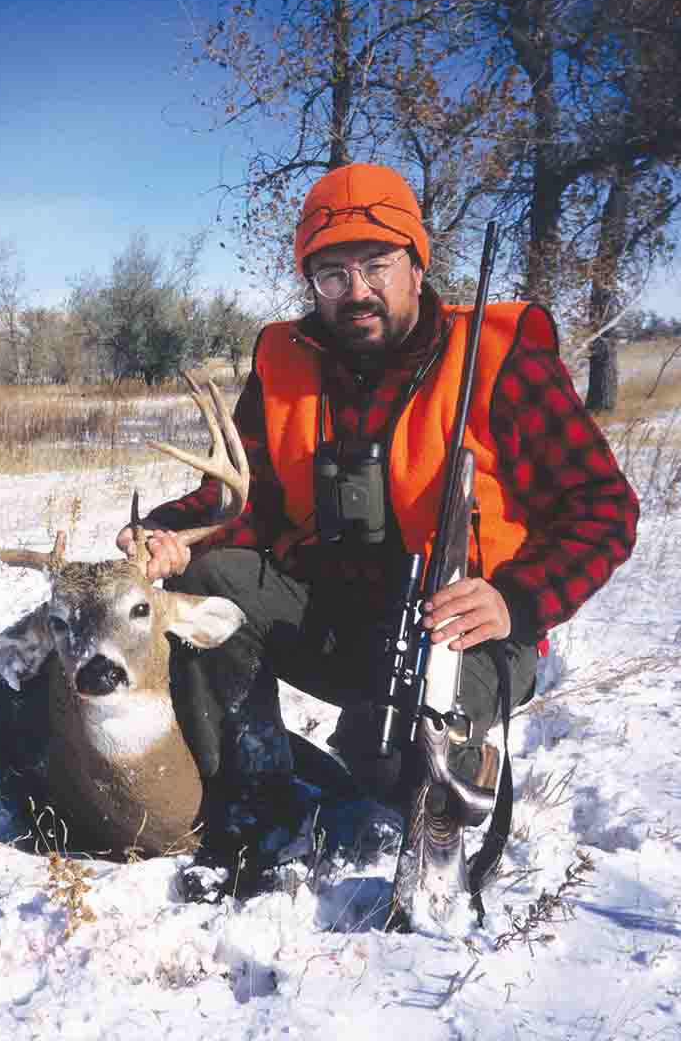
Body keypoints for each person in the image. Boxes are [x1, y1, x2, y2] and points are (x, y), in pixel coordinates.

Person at [116, 162, 639, 866]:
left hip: (462, 631)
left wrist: (515, 598)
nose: (355, 292)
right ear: (312, 283)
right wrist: (172, 534)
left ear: (416, 266)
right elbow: (247, 500)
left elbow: (604, 508)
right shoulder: (285, 360)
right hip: (335, 615)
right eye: (331, 273)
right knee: (206, 579)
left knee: (390, 768)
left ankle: (450, 755)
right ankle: (254, 799)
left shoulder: (497, 356)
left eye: (376, 265)